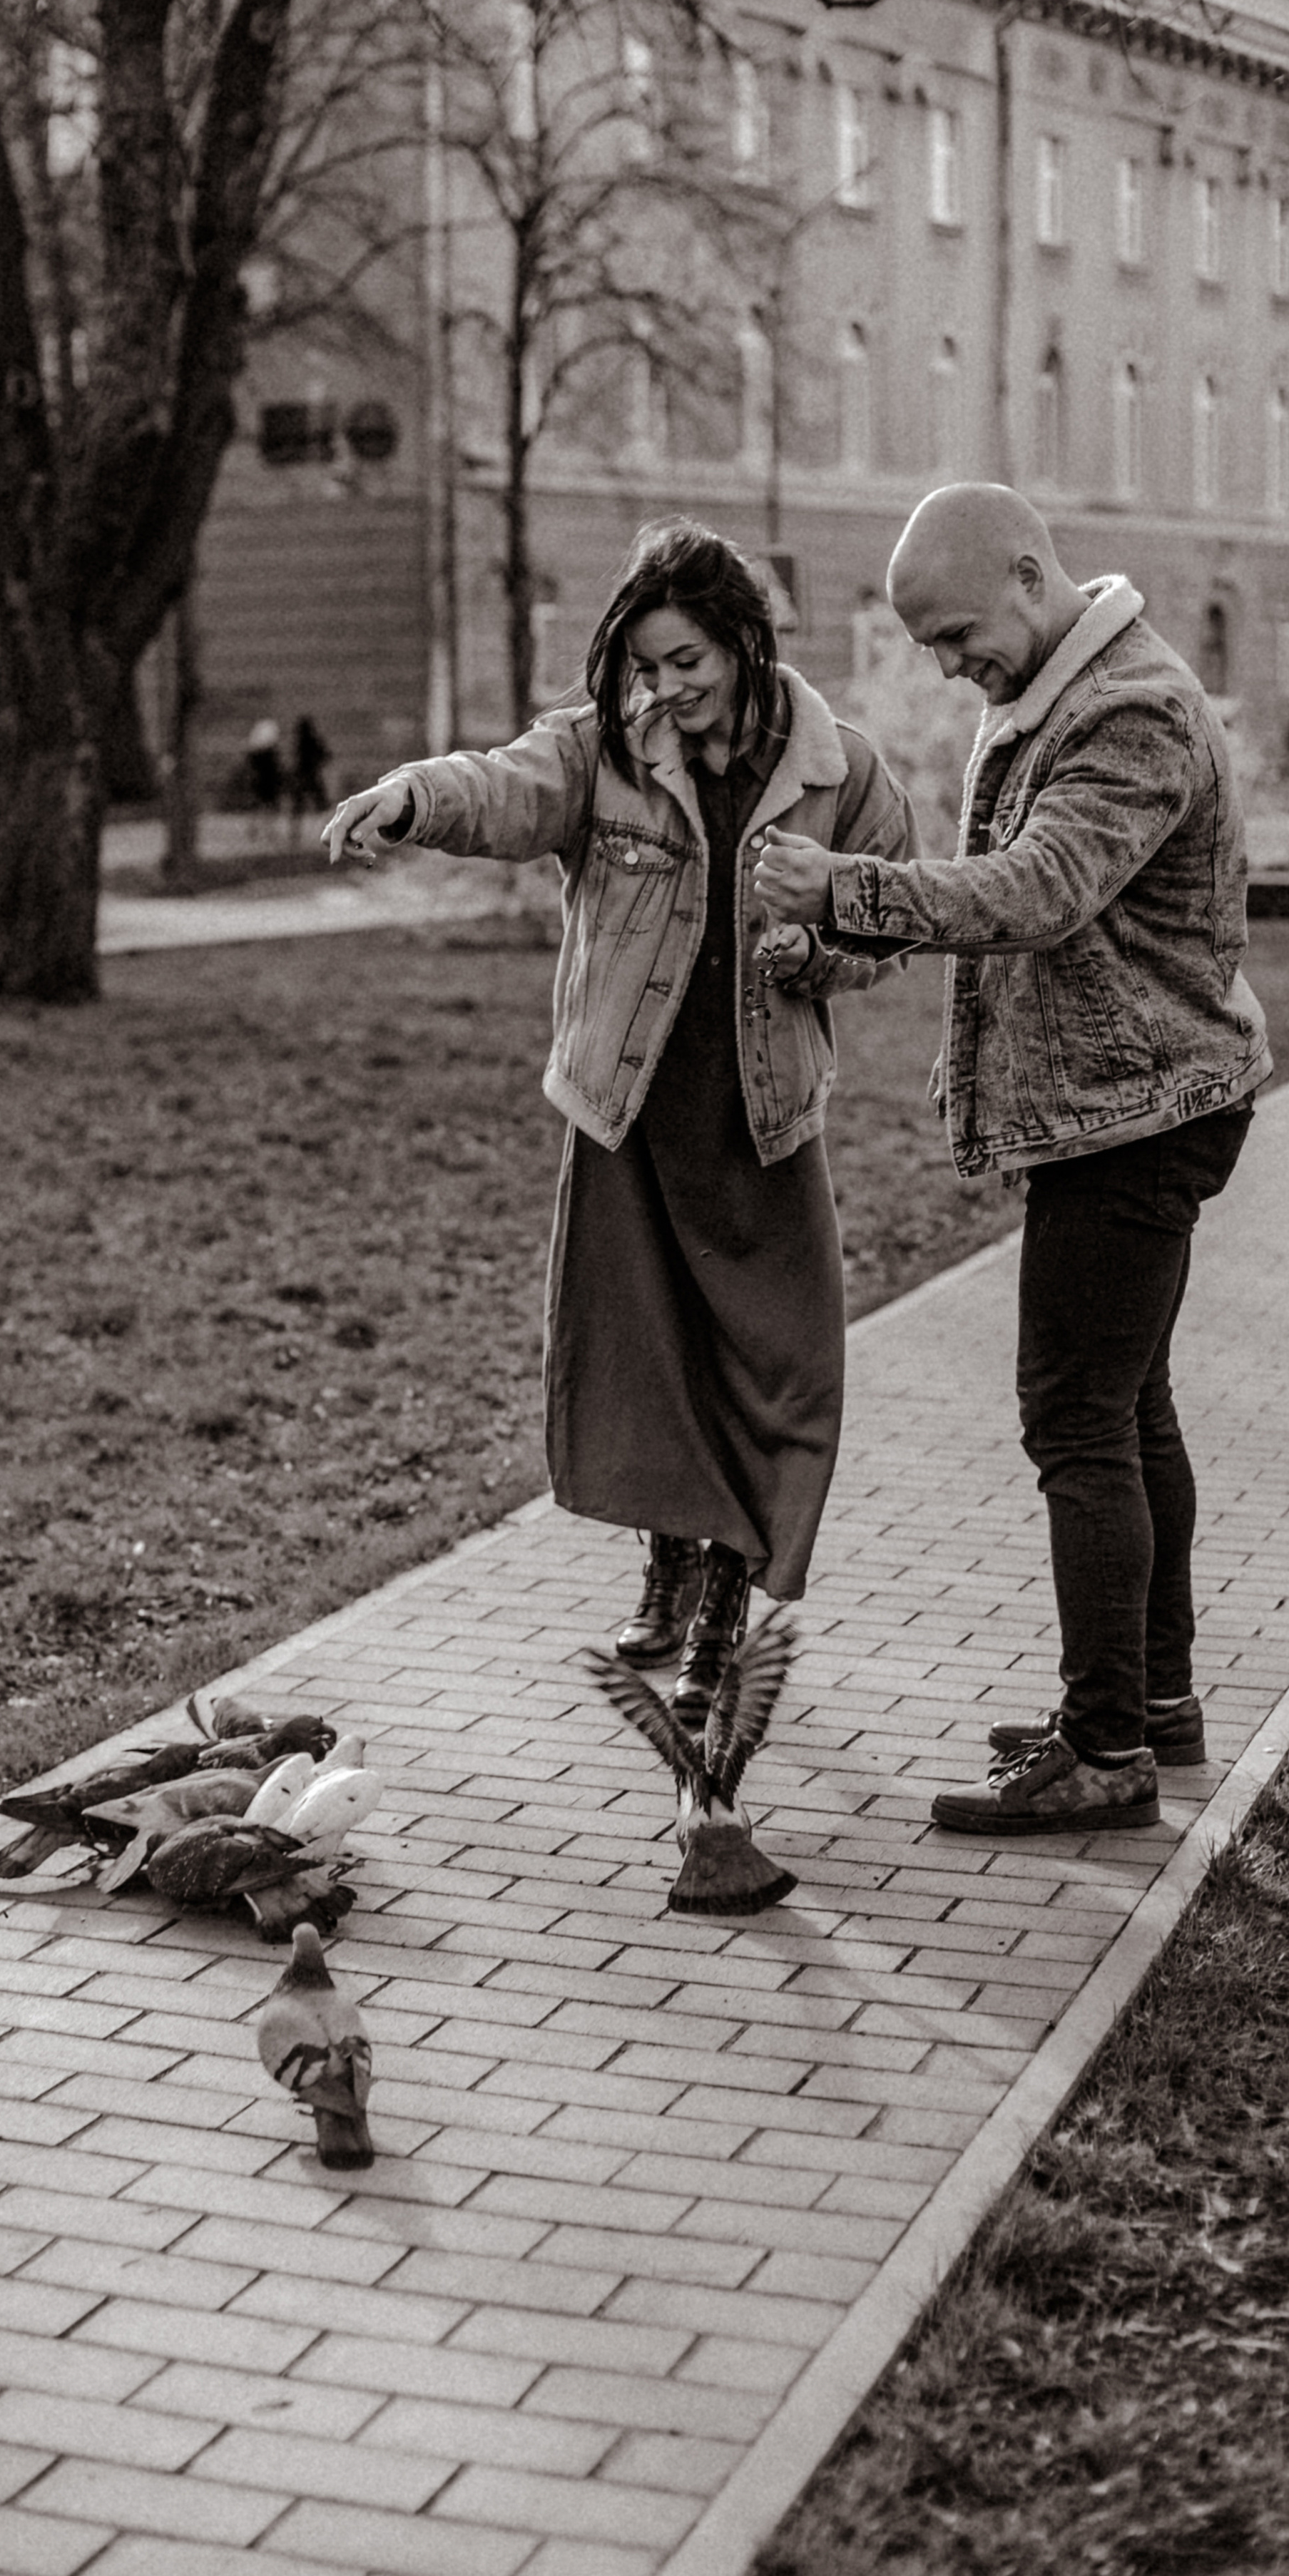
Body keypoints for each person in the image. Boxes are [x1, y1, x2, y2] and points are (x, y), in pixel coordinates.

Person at [325, 517, 917, 1720]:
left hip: (760, 1121)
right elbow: (506, 785)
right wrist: (409, 797)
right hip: (630, 1113)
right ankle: (675, 1571)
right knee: (649, 1366)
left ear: (746, 644)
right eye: (648, 665)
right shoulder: (610, 752)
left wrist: (823, 957)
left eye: (686, 662)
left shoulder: (840, 771)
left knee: (775, 1373)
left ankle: (723, 1597)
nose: (665, 689)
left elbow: (895, 918)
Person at [753, 482, 1272, 1835]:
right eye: (928, 645)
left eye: (958, 632)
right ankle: (1152, 1706)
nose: (946, 664)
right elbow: (998, 901)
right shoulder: (1054, 696)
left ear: (1034, 579)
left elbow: (1037, 895)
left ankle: (1104, 1754)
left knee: (1077, 1420)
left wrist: (842, 886)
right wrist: (836, 947)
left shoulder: (1133, 712)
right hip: (1120, 1104)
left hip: (1145, 1110)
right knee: (1128, 1406)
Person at [291, 715, 330, 817]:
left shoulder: (303, 742)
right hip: (310, 775)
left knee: (301, 805)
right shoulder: (311, 741)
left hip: (307, 775)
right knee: (316, 803)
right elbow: (326, 755)